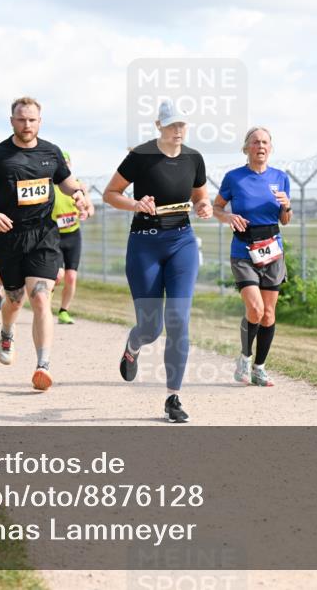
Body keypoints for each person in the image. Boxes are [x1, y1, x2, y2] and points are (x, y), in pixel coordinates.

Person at [102, 100, 212, 422]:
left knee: (178, 320)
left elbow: (200, 195)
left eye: (182, 124)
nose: (178, 130)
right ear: (159, 125)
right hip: (145, 244)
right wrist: (135, 204)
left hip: (182, 242)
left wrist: (204, 206)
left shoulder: (194, 158)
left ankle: (172, 398)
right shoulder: (141, 156)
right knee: (151, 327)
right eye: (172, 124)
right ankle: (133, 345)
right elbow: (110, 194)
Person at [0, 96, 87, 391]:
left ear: (39, 121)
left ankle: (43, 366)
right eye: (21, 120)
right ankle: (7, 331)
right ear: (12, 121)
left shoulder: (51, 151)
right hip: (9, 236)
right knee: (14, 299)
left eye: (32, 120)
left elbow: (66, 181)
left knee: (40, 296)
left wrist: (79, 193)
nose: (27, 125)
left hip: (44, 234)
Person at [212, 127, 292, 388]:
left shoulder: (280, 178)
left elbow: (286, 220)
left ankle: (260, 367)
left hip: (272, 249)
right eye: (255, 142)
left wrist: (287, 207)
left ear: (271, 148)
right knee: (255, 309)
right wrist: (228, 217)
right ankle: (244, 359)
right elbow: (216, 208)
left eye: (265, 142)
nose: (260, 145)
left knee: (268, 314)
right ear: (246, 148)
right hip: (244, 250)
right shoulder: (234, 178)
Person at [51, 150, 94, 324]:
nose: (65, 166)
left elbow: (90, 208)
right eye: (62, 163)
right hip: (54, 235)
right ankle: (45, 302)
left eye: (67, 162)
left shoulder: (78, 186)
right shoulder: (51, 187)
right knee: (58, 275)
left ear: (70, 164)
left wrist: (86, 213)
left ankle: (63, 311)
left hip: (73, 235)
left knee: (71, 277)